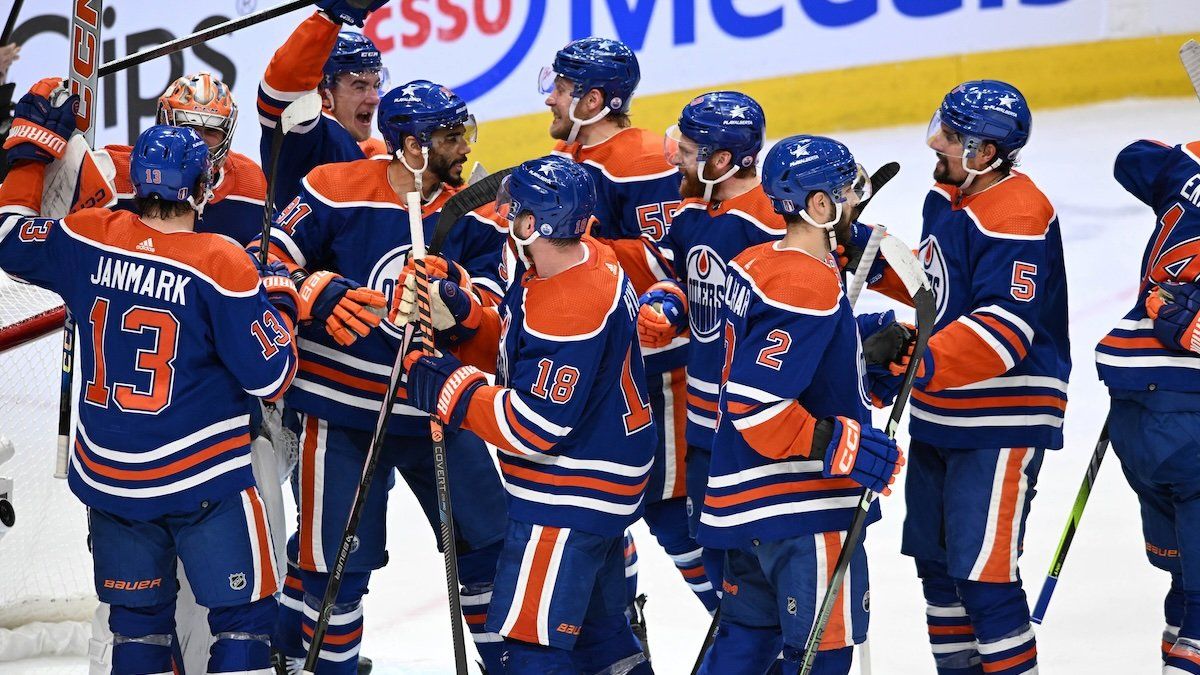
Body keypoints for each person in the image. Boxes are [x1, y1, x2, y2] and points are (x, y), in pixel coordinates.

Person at [0, 78, 300, 674]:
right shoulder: (222, 261)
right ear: (204, 182)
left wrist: (28, 153)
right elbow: (272, 378)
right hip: (202, 479)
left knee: (136, 634)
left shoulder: (89, 235)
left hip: (110, 479)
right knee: (243, 626)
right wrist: (282, 298)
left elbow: (9, 235)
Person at [258, 79, 508, 674]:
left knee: (487, 547)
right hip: (341, 415)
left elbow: (500, 303)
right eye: (451, 137)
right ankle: (310, 663)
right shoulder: (333, 189)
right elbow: (261, 262)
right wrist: (309, 289)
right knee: (334, 564)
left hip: (438, 409)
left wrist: (462, 303)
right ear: (411, 145)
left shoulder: (475, 208)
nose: (464, 147)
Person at [397, 155, 655, 674]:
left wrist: (450, 387)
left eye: (513, 212)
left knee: (530, 652)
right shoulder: (581, 261)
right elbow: (524, 350)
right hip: (600, 492)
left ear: (536, 224)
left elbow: (533, 424)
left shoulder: (571, 305)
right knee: (607, 647)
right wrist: (467, 317)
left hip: (565, 499)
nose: (505, 218)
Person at [869, 80, 1069, 675]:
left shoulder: (1018, 212)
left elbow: (1005, 328)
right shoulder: (948, 199)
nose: (938, 143)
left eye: (952, 137)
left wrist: (917, 359)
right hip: (942, 411)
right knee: (939, 573)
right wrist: (861, 249)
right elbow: (938, 291)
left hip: (1001, 419)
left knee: (984, 579)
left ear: (985, 153)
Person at [694, 134, 903, 674]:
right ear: (818, 205)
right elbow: (757, 403)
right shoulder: (806, 280)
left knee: (745, 641)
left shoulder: (756, 261)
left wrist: (857, 348)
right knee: (821, 655)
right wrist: (843, 444)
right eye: (845, 193)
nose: (855, 203)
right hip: (801, 506)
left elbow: (777, 356)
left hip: (744, 497)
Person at [539, 36, 717, 636]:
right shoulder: (576, 155)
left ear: (592, 98)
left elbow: (672, 263)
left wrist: (570, 247)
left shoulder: (640, 160)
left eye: (561, 89)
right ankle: (622, 629)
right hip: (605, 367)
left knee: (671, 508)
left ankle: (743, 625)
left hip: (659, 367)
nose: (550, 100)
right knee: (600, 508)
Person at [631, 91, 784, 593]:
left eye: (689, 147)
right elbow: (685, 277)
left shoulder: (773, 227)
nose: (674, 153)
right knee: (720, 569)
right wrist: (670, 305)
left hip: (751, 428)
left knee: (758, 579)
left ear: (720, 161)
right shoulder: (694, 213)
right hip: (702, 425)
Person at [1096, 135, 1200, 673]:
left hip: (1133, 410)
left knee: (1185, 587)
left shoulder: (1188, 170)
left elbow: (1130, 157)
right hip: (1190, 416)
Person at [99, 73, 266, 247]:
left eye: (211, 131)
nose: (199, 141)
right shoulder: (111, 172)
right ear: (164, 123)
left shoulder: (254, 185)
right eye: (189, 127)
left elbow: (273, 252)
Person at [257, 0, 389, 212]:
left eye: (376, 85)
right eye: (359, 86)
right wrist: (329, 20)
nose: (374, 98)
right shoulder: (306, 134)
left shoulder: (372, 151)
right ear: (324, 91)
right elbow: (285, 82)